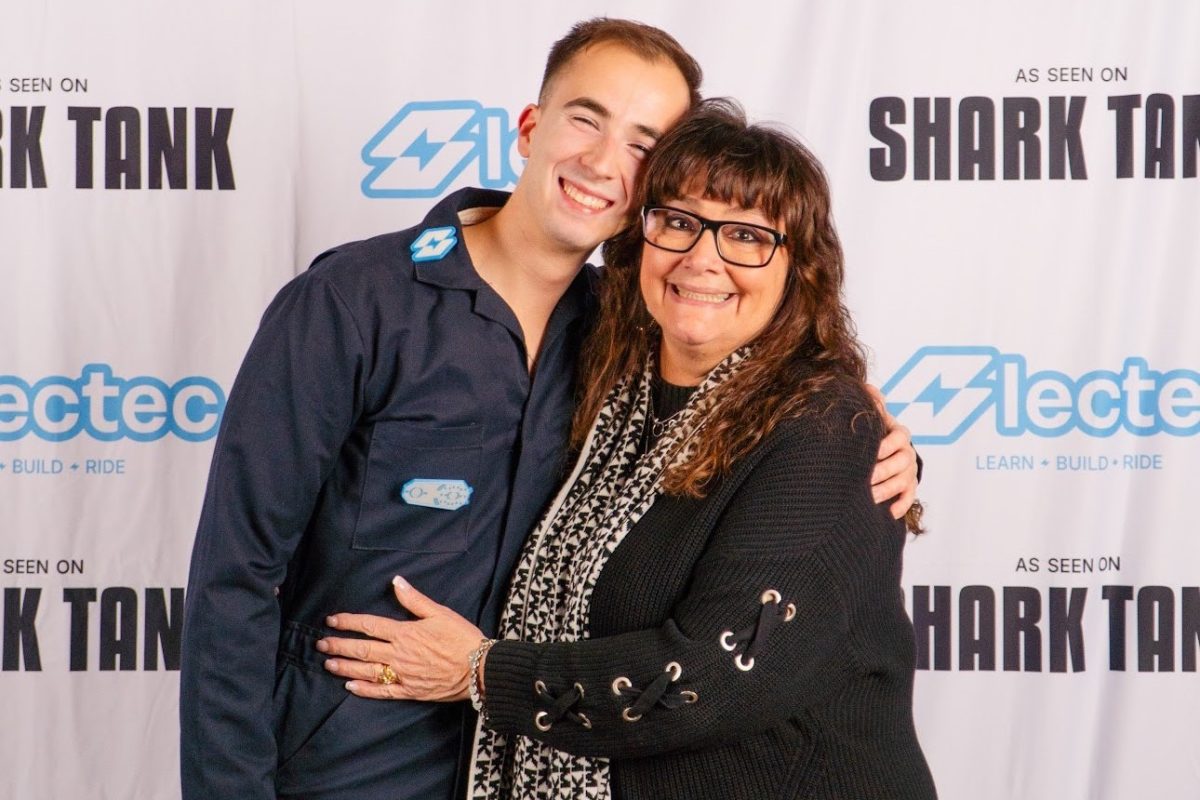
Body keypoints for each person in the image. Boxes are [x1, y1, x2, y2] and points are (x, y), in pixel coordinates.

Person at [180, 19, 921, 800]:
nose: (603, 162)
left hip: (529, 765)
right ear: (531, 128)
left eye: (643, 144)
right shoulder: (354, 303)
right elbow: (236, 577)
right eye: (585, 119)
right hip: (350, 769)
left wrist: (875, 436)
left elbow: (783, 404)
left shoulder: (629, 328)